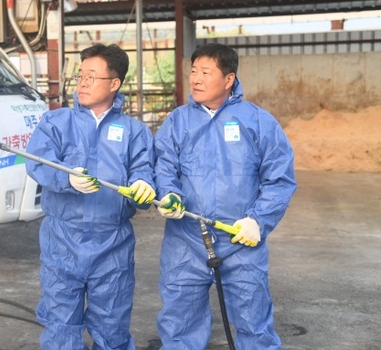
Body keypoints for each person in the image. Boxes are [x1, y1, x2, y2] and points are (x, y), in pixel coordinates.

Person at [153, 43, 297, 349]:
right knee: (179, 322)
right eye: (193, 71)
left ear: (228, 79)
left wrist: (258, 221)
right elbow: (163, 167)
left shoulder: (257, 121)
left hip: (239, 240)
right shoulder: (177, 122)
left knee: (252, 321)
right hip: (185, 240)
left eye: (206, 72)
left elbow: (280, 178)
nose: (196, 79)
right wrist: (169, 194)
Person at [25, 43, 156, 349]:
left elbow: (143, 171)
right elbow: (36, 162)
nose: (82, 83)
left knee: (112, 326)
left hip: (112, 245)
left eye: (91, 77)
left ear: (114, 83)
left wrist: (144, 188)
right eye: (80, 76)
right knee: (61, 325)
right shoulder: (56, 122)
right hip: (62, 241)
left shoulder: (134, 131)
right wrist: (65, 177)